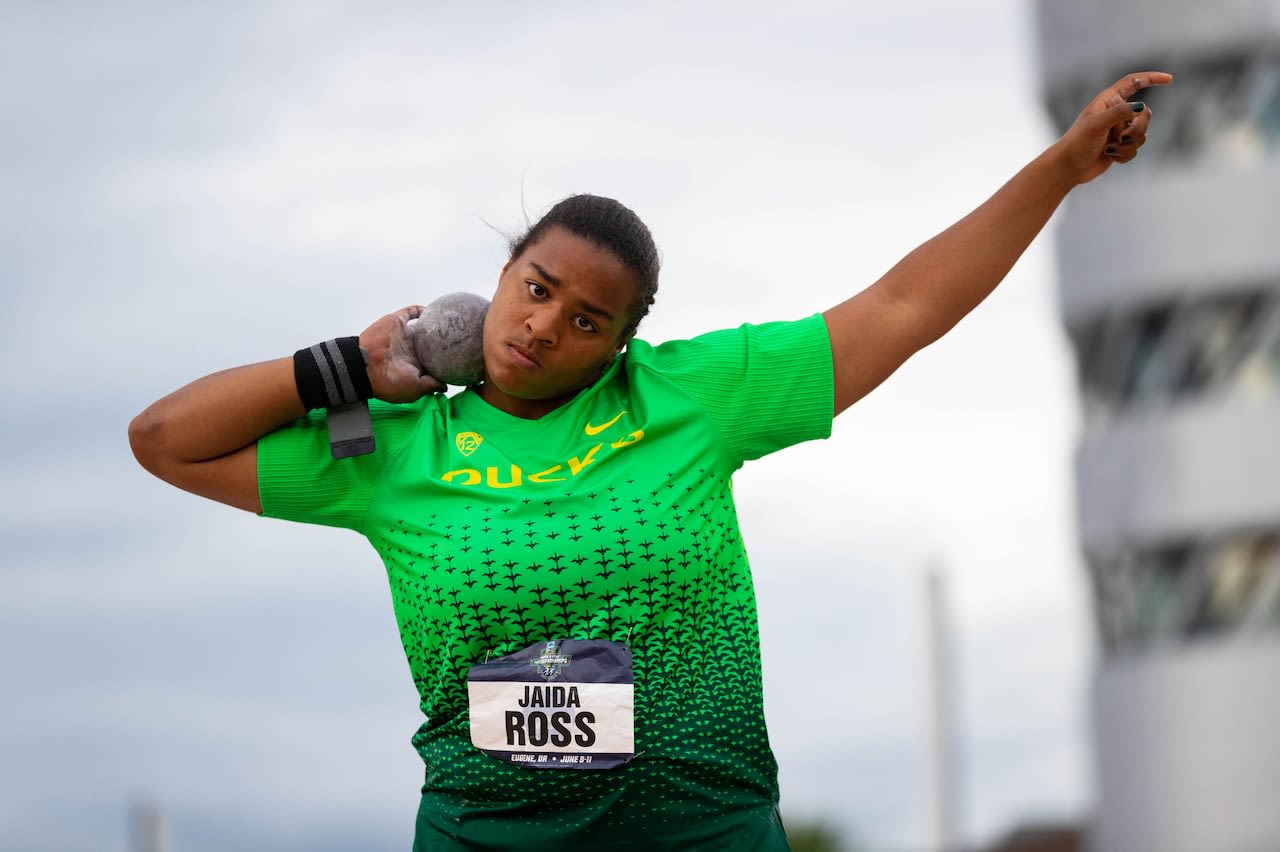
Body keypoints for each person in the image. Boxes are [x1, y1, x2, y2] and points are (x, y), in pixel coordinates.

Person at [129, 71, 1172, 850]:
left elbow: (900, 307)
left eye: (586, 319)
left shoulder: (688, 396)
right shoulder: (389, 453)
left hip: (704, 834)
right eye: (533, 288)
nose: (543, 327)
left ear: (621, 342)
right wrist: (342, 368)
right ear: (497, 278)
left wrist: (1061, 166)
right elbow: (164, 439)